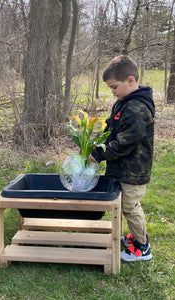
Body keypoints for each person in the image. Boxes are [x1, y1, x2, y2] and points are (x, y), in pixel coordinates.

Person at [90, 55, 155, 262]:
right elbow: (112, 127)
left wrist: (100, 154)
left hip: (134, 170)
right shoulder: (123, 102)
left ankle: (142, 247)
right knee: (124, 204)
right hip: (122, 168)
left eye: (114, 87)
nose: (113, 92)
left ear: (130, 80)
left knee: (130, 207)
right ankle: (135, 238)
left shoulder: (137, 108)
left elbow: (127, 141)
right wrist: (97, 141)